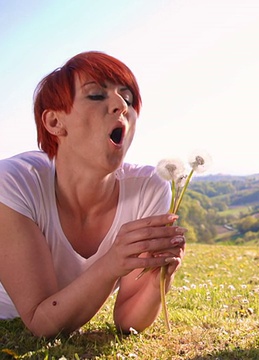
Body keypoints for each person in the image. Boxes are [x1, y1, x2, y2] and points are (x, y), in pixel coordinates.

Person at [0, 51, 186, 337]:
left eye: (128, 97)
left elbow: (128, 322)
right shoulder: (14, 182)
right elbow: (41, 323)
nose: (121, 104)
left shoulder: (149, 187)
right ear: (54, 122)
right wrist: (112, 262)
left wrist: (160, 275)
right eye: (96, 96)